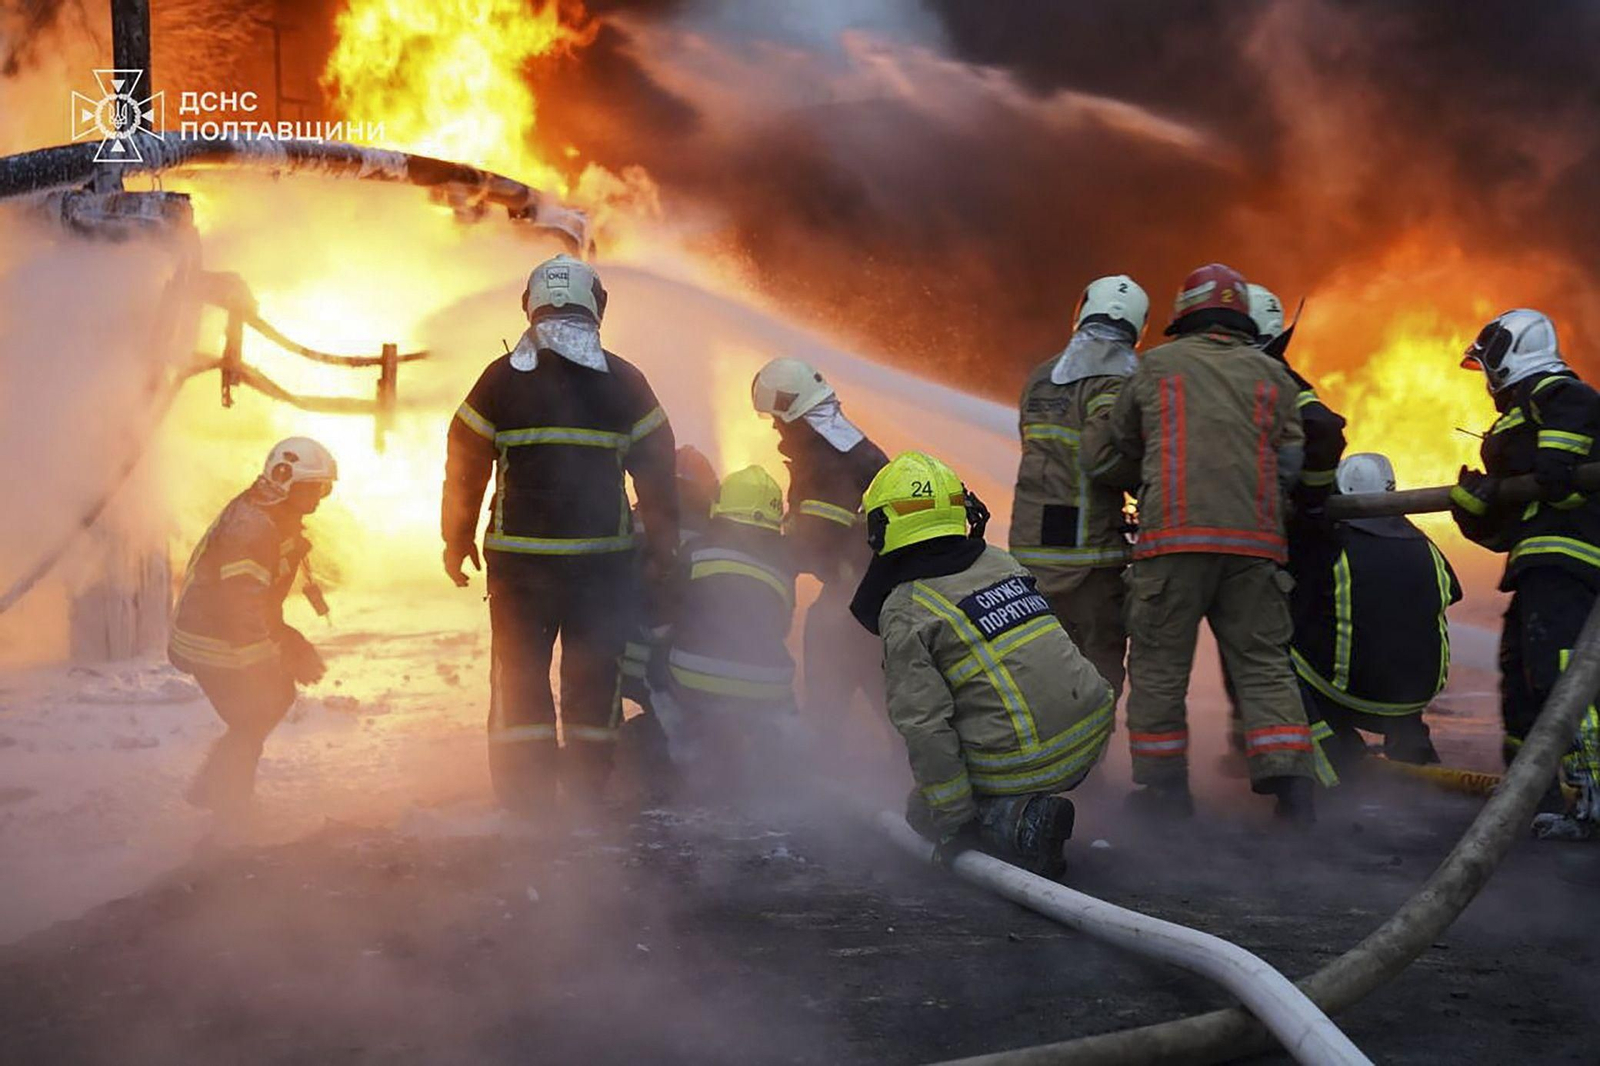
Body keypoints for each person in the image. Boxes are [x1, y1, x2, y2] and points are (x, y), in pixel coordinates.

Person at [442, 254, 678, 813]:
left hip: (519, 568)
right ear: (595, 305)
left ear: (531, 304)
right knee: (594, 677)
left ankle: (528, 800)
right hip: (602, 566)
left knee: (519, 677)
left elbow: (464, 464)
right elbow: (658, 469)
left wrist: (456, 538)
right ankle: (589, 792)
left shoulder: (499, 379)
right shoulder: (625, 382)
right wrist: (664, 548)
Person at [1085, 263, 1317, 822]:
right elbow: (1291, 461)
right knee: (1263, 663)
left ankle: (1165, 793)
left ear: (1184, 315)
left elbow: (1122, 443)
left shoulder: (1155, 367)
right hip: (1256, 547)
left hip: (1173, 544)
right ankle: (1291, 785)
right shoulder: (1273, 376)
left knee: (1160, 669)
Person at [850, 451, 1113, 877]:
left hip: (1037, 757)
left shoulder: (906, 608)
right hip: (1093, 726)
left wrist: (955, 821)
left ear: (882, 527)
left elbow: (923, 723)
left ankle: (1019, 821)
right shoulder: (999, 559)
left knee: (923, 808)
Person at [1451, 309, 1600, 840]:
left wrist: (1556, 460)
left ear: (1509, 354)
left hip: (1572, 562)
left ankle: (1591, 797)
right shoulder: (1525, 423)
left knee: (1560, 673)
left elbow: (1579, 415)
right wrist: (1473, 508)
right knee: (1520, 679)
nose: (1487, 378)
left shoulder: (1556, 392)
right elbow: (1508, 531)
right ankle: (1530, 794)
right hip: (1536, 566)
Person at [170, 437, 336, 816]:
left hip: (222, 631)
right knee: (259, 707)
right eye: (313, 487)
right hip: (209, 640)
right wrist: (263, 661)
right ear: (285, 480)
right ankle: (227, 803)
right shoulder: (252, 528)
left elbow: (258, 601)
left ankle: (220, 793)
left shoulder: (270, 515)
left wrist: (288, 640)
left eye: (323, 488)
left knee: (265, 705)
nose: (319, 498)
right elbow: (240, 603)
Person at [1010, 274, 1147, 698]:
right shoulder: (1117, 380)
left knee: (1040, 664)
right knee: (1097, 668)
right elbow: (1100, 457)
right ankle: (1090, 741)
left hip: (1032, 550)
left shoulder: (1042, 376)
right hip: (1089, 561)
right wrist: (1145, 478)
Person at [1290, 453, 1461, 774]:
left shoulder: (1329, 545)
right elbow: (1452, 594)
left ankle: (1335, 753)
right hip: (1413, 698)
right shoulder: (1426, 545)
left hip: (1349, 696)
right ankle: (1412, 746)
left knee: (1274, 647)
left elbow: (1296, 598)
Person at [751, 357, 888, 742]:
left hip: (855, 606)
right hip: (879, 599)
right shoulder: (852, 447)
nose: (775, 427)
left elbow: (813, 546)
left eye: (776, 418)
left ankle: (822, 759)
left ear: (792, 411)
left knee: (827, 708)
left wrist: (752, 542)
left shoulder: (825, 463)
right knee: (893, 713)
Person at [664, 464, 798, 775]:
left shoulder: (694, 551)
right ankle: (776, 760)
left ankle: (679, 748)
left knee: (660, 659)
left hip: (697, 676)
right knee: (780, 743)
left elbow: (669, 609)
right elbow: (782, 626)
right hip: (768, 684)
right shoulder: (785, 566)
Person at [1246, 284, 1347, 510]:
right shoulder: (1284, 379)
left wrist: (1308, 501)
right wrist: (1311, 502)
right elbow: (1323, 428)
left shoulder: (1265, 378)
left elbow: (1323, 428)